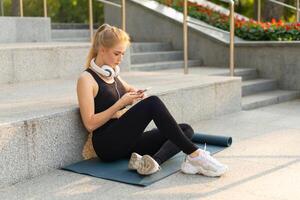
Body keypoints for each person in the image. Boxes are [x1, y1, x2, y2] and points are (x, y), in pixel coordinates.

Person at [77, 23, 228, 177]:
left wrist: (136, 93)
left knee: (186, 129)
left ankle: (153, 163)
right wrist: (120, 104)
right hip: (107, 145)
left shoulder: (112, 73)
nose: (120, 59)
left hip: (127, 140)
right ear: (102, 49)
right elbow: (90, 123)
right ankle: (196, 156)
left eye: (123, 54)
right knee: (153, 103)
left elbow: (129, 89)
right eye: (117, 54)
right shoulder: (86, 79)